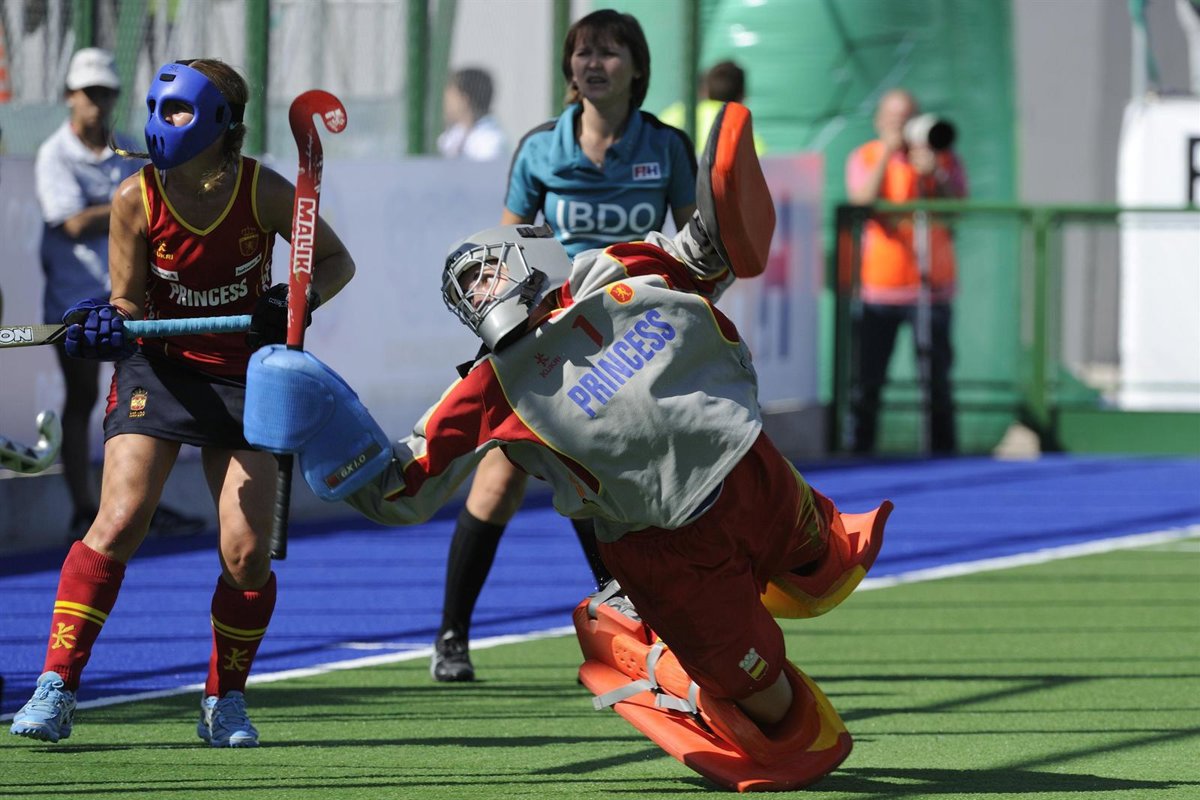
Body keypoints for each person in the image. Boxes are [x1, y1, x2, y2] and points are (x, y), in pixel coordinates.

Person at [243, 102, 888, 790]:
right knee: (776, 706)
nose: (479, 292)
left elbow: (709, 248)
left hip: (747, 469)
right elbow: (400, 488)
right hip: (670, 550)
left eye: (484, 271)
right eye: (466, 291)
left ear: (530, 252)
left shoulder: (614, 268)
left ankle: (695, 625)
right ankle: (655, 663)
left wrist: (724, 193)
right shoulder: (489, 386)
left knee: (825, 566)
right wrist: (320, 423)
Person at [9, 58, 356, 747]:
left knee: (247, 553)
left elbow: (334, 262)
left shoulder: (263, 192)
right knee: (119, 519)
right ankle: (56, 686)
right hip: (159, 368)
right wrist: (108, 321)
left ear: (220, 122)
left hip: (244, 375)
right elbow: (128, 301)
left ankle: (224, 700)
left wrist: (295, 301)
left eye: (177, 111)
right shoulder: (134, 198)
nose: (159, 123)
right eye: (155, 109)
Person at [431, 7, 699, 684]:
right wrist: (507, 325)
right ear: (569, 70)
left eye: (609, 53)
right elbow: (502, 251)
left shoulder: (667, 146)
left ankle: (636, 625)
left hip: (635, 339)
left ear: (637, 69)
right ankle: (452, 637)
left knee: (604, 480)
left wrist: (689, 306)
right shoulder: (540, 148)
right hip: (552, 339)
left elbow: (697, 249)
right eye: (583, 53)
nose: (593, 64)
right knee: (503, 479)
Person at [34, 48, 205, 540]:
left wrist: (137, 208)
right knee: (83, 396)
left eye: (106, 92)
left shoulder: (126, 147)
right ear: (69, 95)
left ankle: (136, 507)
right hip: (74, 302)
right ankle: (84, 509)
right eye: (89, 92)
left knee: (143, 400)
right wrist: (134, 206)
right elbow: (70, 223)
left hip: (128, 296)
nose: (98, 102)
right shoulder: (54, 154)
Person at [844, 88, 967, 454]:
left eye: (907, 118)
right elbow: (862, 202)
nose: (900, 126)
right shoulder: (866, 156)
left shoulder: (942, 157)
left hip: (931, 290)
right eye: (893, 119)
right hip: (879, 291)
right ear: (880, 122)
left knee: (936, 379)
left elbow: (958, 210)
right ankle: (859, 452)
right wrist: (888, 152)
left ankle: (944, 454)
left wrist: (936, 173)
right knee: (868, 379)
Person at [660, 59, 766, 155]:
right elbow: (760, 162)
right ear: (742, 97)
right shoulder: (740, 125)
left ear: (705, 90)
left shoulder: (677, 113)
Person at [436, 67, 508, 161]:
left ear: (464, 100)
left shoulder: (491, 141)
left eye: (450, 98)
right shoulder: (453, 135)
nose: (445, 104)